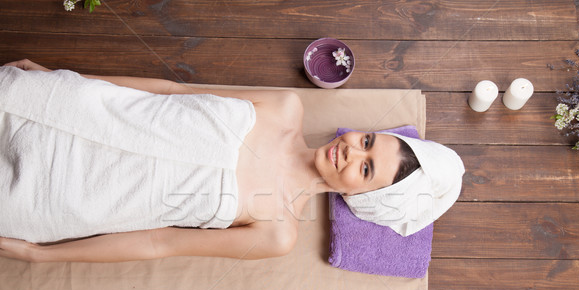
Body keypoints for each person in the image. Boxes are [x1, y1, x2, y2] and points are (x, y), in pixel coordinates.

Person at [0, 59, 463, 263]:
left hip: (62, 196)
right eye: (366, 140)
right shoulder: (285, 107)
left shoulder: (278, 231)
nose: (351, 150)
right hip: (68, 107)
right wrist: (75, 80)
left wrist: (41, 257)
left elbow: (161, 244)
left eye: (365, 168)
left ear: (363, 198)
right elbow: (170, 92)